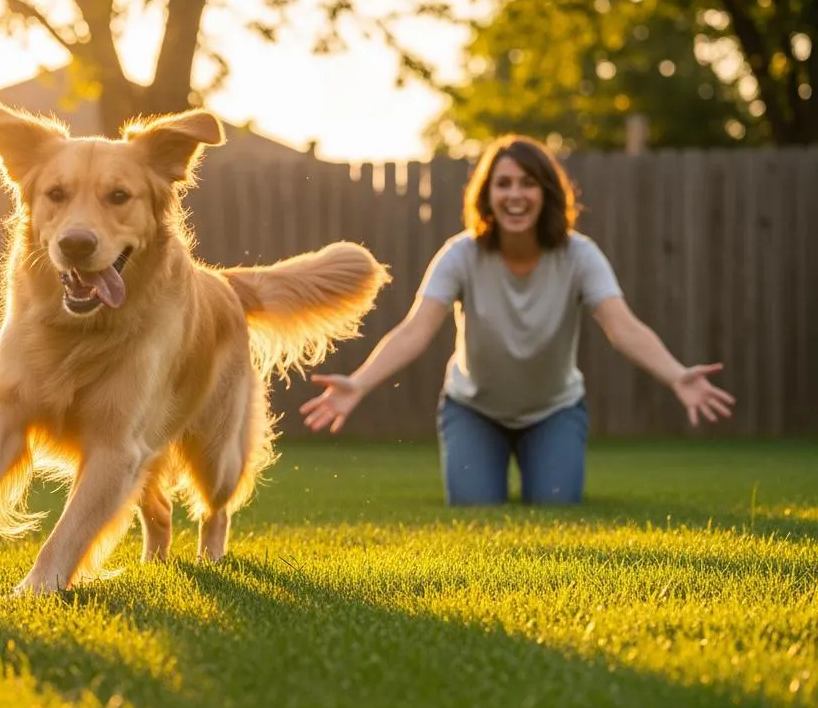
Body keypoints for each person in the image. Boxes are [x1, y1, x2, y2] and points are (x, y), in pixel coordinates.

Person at [299, 135, 735, 505]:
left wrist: (677, 376)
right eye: (503, 184)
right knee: (475, 511)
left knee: (556, 506)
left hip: (554, 411)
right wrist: (359, 382)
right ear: (487, 195)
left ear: (546, 192)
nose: (515, 195)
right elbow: (416, 330)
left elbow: (623, 327)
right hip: (473, 410)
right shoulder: (460, 255)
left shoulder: (579, 255)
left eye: (527, 183)